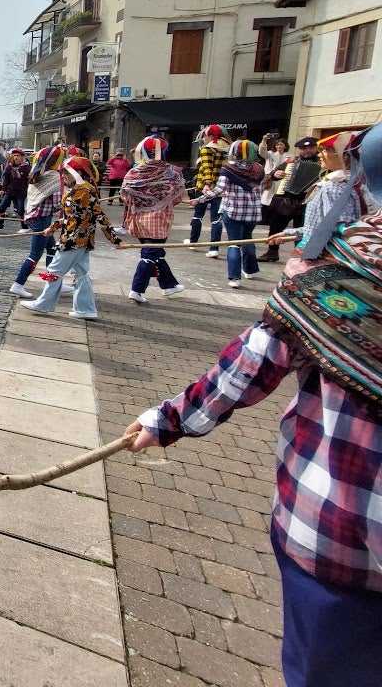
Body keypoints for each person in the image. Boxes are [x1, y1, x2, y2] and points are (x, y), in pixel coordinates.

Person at [125, 123, 382, 687]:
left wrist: (168, 419)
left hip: (331, 525)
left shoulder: (331, 277)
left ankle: (167, 280)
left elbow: (250, 366)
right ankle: (177, 278)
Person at [20, 156, 123, 320]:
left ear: (77, 173)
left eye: (66, 173)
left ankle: (44, 304)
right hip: (76, 239)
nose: (64, 177)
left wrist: (115, 240)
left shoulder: (86, 191)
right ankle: (86, 309)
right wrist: (52, 228)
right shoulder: (76, 190)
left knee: (54, 270)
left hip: (74, 240)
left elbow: (100, 216)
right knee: (82, 274)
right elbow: (71, 217)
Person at [267, 132, 363, 257]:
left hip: (322, 253)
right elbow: (325, 226)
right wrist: (289, 234)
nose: (320, 154)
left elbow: (337, 229)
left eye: (326, 150)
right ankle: (272, 252)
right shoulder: (354, 182)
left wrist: (302, 242)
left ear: (344, 157)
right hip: (287, 204)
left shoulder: (333, 186)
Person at [120, 135, 187, 303]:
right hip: (159, 220)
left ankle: (168, 285)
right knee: (150, 254)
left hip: (139, 220)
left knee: (157, 252)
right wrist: (161, 203)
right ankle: (137, 289)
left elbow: (125, 196)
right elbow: (178, 197)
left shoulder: (134, 172)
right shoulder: (172, 172)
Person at [192, 139, 263, 288]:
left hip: (232, 212)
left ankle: (234, 278)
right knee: (247, 239)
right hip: (253, 212)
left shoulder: (229, 169)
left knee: (234, 243)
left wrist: (199, 199)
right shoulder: (259, 169)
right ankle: (250, 270)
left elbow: (219, 189)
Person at [8, 145, 64, 299]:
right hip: (42, 220)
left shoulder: (37, 171)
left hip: (35, 216)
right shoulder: (53, 176)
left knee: (53, 249)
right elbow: (58, 202)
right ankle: (18, 284)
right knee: (35, 254)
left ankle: (55, 283)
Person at [185, 124, 229, 256]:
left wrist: (207, 183)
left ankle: (193, 241)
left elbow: (207, 167)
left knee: (198, 215)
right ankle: (214, 248)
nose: (203, 139)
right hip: (221, 188)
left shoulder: (207, 149)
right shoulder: (227, 148)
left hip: (204, 186)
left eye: (204, 136)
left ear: (210, 136)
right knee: (216, 219)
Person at [0, 147, 30, 232]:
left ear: (22, 157)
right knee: (2, 208)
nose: (16, 157)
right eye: (14, 155)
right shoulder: (9, 167)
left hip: (21, 192)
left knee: (20, 210)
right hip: (9, 191)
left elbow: (29, 180)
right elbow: (6, 179)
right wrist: (3, 189)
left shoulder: (26, 167)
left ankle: (24, 227)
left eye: (18, 155)